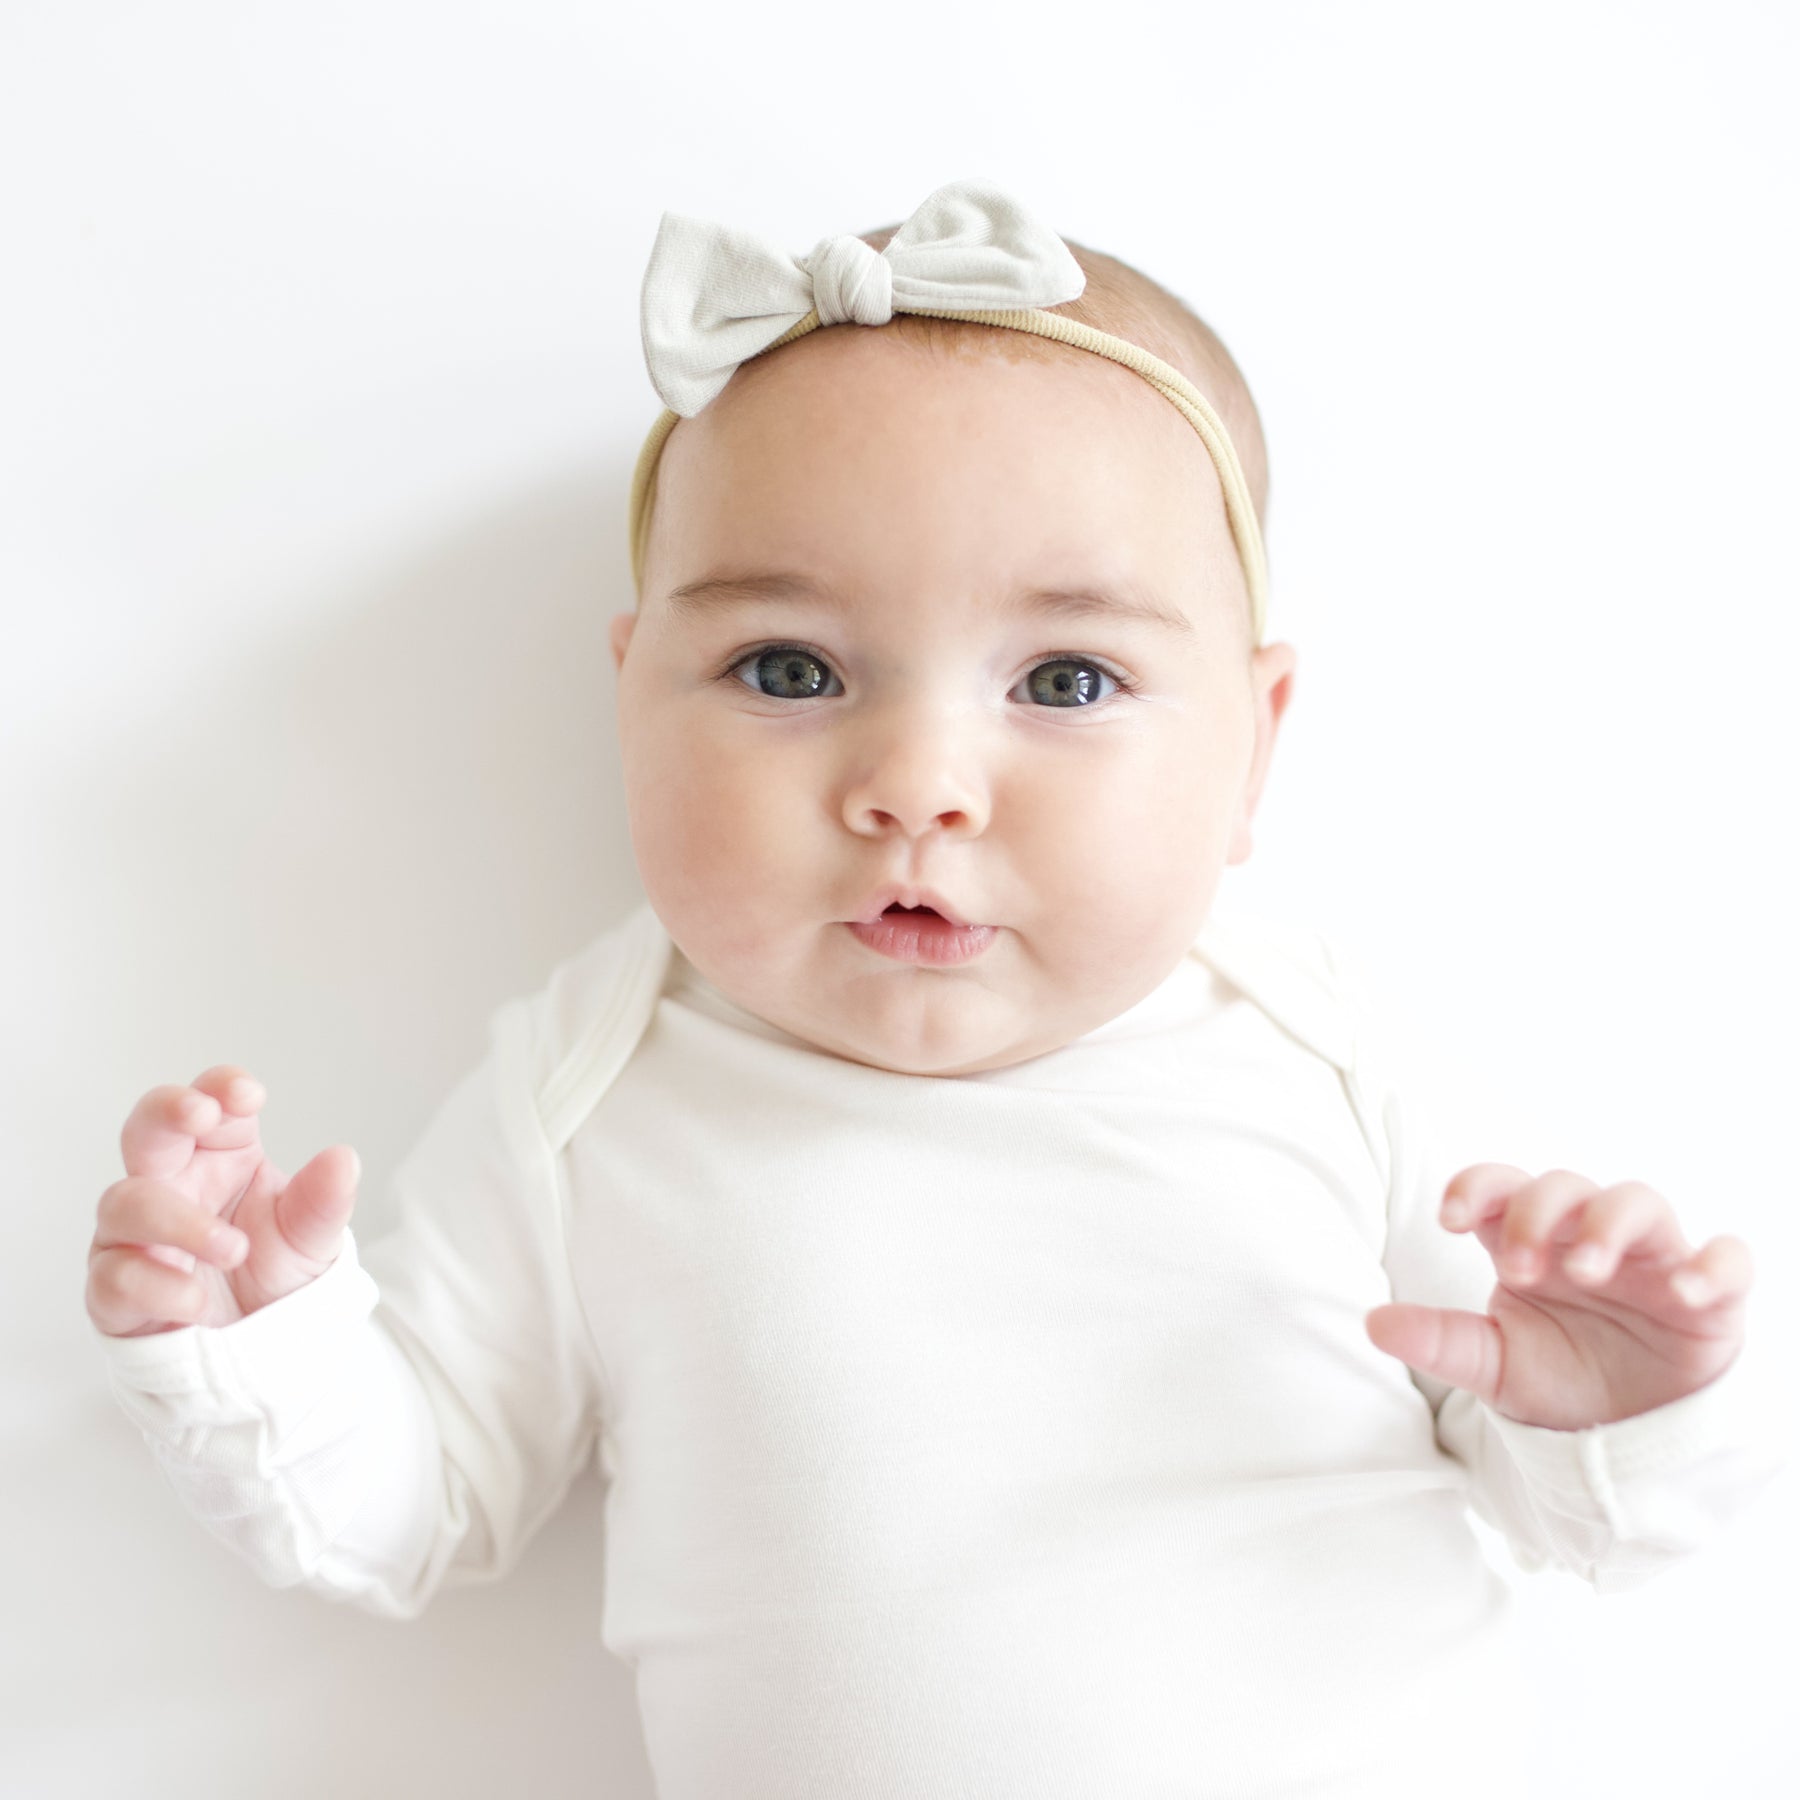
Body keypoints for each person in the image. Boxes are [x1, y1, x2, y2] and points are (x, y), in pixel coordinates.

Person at [84, 178, 1790, 1798]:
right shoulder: (593, 1091)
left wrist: (1622, 1409)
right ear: (633, 699)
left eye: (1067, 679)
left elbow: (1587, 1520)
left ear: (1253, 745)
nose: (917, 784)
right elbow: (415, 1506)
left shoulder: (1327, 1055)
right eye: (788, 668)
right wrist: (262, 1346)